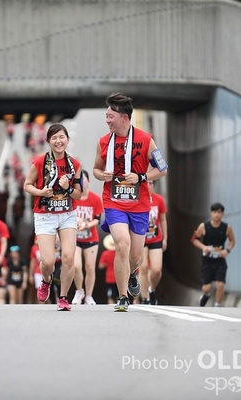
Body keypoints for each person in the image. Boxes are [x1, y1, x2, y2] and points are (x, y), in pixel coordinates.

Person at [93, 93, 168, 312]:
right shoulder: (103, 142)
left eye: (111, 116)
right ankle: (122, 297)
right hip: (113, 201)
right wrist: (102, 175)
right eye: (106, 116)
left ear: (124, 118)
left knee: (135, 256)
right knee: (122, 245)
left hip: (139, 204)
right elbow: (96, 169)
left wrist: (141, 177)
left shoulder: (145, 140)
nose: (107, 120)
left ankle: (133, 273)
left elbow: (162, 169)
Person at [23, 123, 82, 311]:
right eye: (54, 138)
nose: (58, 141)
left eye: (61, 137)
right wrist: (41, 192)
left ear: (67, 140)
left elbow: (79, 194)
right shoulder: (40, 162)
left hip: (67, 214)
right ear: (48, 141)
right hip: (45, 215)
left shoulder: (74, 165)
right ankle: (46, 280)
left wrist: (68, 188)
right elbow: (27, 185)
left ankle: (63, 297)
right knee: (48, 262)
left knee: (68, 258)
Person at [191, 202, 236, 307]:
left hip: (220, 260)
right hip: (207, 260)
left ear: (222, 214)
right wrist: (203, 247)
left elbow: (232, 240)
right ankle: (206, 295)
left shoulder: (227, 227)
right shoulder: (203, 226)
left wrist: (227, 250)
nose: (217, 215)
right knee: (207, 288)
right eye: (215, 212)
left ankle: (217, 306)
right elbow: (194, 239)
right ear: (211, 213)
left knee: (220, 284)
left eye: (219, 212)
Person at [72, 169, 104, 305]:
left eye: (83, 178)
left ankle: (89, 296)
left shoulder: (95, 199)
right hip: (75, 238)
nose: (81, 181)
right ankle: (79, 291)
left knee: (90, 267)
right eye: (78, 179)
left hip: (91, 237)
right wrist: (77, 221)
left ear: (88, 181)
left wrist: (87, 225)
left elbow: (97, 219)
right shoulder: (73, 198)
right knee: (76, 266)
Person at [139, 181, 168, 305]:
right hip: (141, 238)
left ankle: (151, 289)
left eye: (150, 183)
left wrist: (165, 238)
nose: (148, 185)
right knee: (143, 267)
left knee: (156, 269)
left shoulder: (159, 199)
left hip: (156, 238)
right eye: (146, 183)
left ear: (154, 185)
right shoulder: (137, 198)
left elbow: (163, 219)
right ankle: (145, 298)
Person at [98, 234, 117, 305]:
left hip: (110, 278)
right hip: (120, 278)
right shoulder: (119, 254)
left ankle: (111, 307)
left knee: (110, 296)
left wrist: (107, 263)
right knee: (120, 295)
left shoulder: (105, 253)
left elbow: (100, 266)